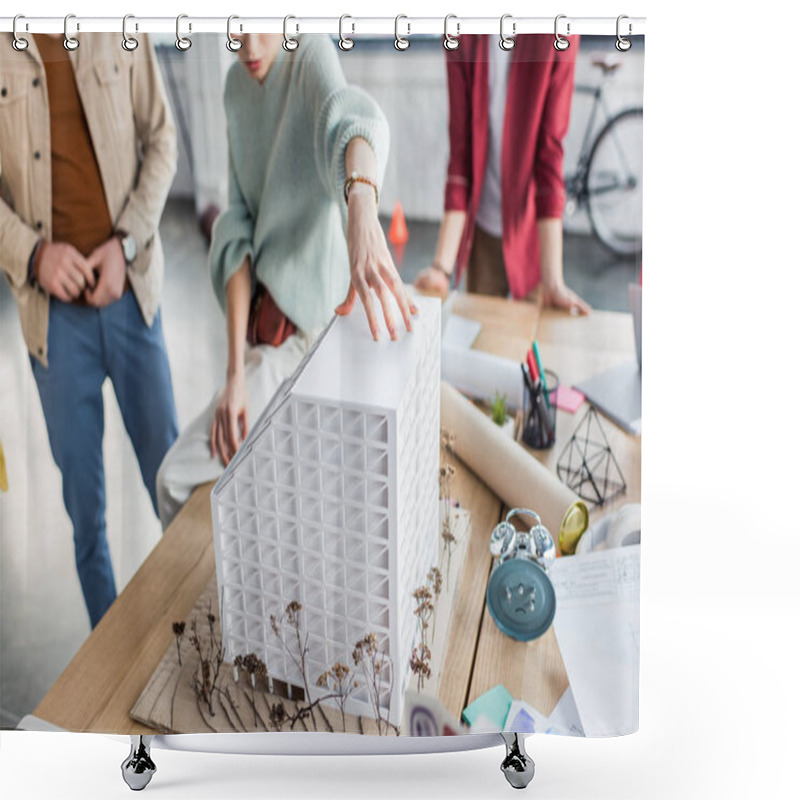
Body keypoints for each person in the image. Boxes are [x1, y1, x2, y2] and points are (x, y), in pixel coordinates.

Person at [156, 33, 414, 529]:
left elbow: (353, 123)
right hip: (263, 336)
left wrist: (361, 206)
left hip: (307, 343)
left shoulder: (308, 55)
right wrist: (234, 373)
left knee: (173, 479)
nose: (248, 44)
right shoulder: (236, 86)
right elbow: (237, 231)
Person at [0, 33, 179, 629]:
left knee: (175, 489)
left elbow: (162, 140)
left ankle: (207, 646)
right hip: (53, 323)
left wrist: (125, 244)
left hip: (131, 299)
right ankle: (111, 667)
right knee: (87, 517)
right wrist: (33, 255)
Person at [415, 35, 590, 314]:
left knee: (531, 343)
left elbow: (549, 156)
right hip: (481, 227)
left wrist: (553, 280)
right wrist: (442, 269)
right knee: (480, 341)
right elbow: (461, 154)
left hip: (532, 232)